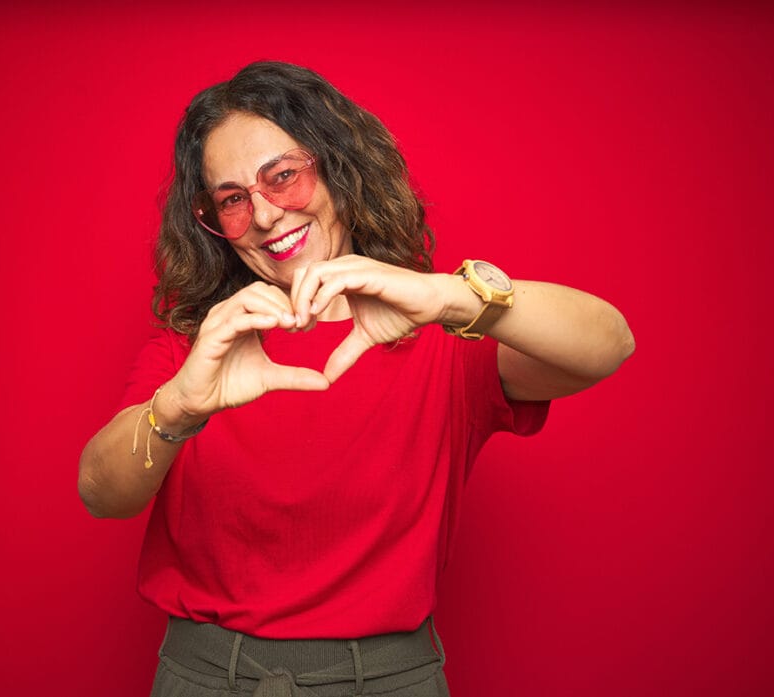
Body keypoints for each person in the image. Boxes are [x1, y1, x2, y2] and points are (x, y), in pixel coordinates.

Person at [79, 61, 634, 696]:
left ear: (338, 168)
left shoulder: (444, 338)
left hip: (388, 679)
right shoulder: (197, 346)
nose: (264, 216)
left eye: (283, 177)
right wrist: (178, 405)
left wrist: (452, 298)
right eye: (233, 199)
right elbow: (101, 493)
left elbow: (609, 345)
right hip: (208, 675)